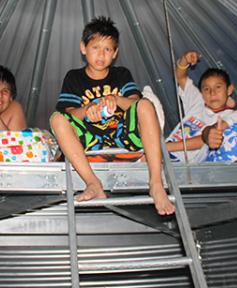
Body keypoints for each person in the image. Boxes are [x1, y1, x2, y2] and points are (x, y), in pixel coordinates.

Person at [50, 16, 175, 215]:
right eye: (95, 47)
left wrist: (116, 99)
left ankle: (156, 183)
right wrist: (89, 108)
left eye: (107, 49)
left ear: (115, 53)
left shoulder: (121, 74)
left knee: (146, 105)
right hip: (92, 143)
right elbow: (69, 113)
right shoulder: (74, 77)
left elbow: (136, 103)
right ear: (83, 48)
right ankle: (93, 183)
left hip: (123, 138)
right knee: (56, 118)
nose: (101, 54)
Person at [166, 49, 235, 161]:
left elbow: (204, 139)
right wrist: (185, 60)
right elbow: (181, 77)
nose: (212, 93)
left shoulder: (231, 116)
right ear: (201, 93)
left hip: (183, 164)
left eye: (218, 87)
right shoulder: (198, 102)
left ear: (229, 89)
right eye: (206, 89)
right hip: (165, 153)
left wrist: (163, 148)